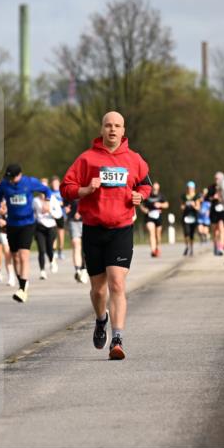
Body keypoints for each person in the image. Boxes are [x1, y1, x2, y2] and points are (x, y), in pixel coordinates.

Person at [61, 110, 152, 360]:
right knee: (99, 290)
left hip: (121, 229)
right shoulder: (87, 159)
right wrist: (85, 189)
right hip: (94, 230)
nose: (112, 130)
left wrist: (140, 196)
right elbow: (65, 188)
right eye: (108, 125)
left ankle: (118, 338)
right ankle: (101, 319)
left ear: (123, 131)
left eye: (117, 126)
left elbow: (146, 184)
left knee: (117, 284)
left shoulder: (134, 159)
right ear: (102, 129)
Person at [0, 163, 50, 303]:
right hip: (12, 224)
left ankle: (23, 289)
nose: (10, 180)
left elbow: (46, 190)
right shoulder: (5, 184)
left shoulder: (29, 182)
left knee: (24, 255)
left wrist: (46, 202)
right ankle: (22, 282)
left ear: (20, 175)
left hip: (28, 223)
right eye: (8, 178)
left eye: (13, 178)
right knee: (15, 257)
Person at [32, 192, 58, 280]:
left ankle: (52, 260)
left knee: (49, 247)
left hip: (51, 226)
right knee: (41, 250)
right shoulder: (35, 200)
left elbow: (59, 214)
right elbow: (32, 213)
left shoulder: (53, 199)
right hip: (39, 227)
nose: (42, 193)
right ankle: (42, 271)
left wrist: (49, 210)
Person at [64, 195, 89, 283]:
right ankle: (77, 270)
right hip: (73, 221)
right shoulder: (70, 189)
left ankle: (84, 269)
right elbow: (66, 204)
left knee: (86, 247)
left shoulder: (87, 186)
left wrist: (81, 211)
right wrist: (66, 210)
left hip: (87, 220)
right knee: (76, 244)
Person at [141, 181, 168, 258]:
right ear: (152, 188)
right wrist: (144, 209)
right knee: (151, 232)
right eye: (154, 188)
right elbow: (141, 204)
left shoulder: (161, 196)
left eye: (156, 189)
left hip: (158, 216)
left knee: (158, 235)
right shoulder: (148, 195)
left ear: (158, 188)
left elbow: (167, 204)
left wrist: (161, 204)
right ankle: (153, 250)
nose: (155, 190)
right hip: (149, 216)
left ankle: (157, 248)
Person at [204, 171, 224, 256]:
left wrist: (221, 198)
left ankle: (221, 247)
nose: (217, 180)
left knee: (221, 228)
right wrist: (213, 197)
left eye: (218, 178)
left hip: (222, 210)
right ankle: (215, 246)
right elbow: (206, 199)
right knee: (215, 231)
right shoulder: (211, 187)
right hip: (213, 210)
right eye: (216, 178)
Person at [48, 176, 67, 262]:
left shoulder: (62, 191)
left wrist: (63, 204)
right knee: (54, 233)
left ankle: (61, 250)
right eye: (53, 183)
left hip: (61, 215)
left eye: (56, 183)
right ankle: (54, 250)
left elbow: (66, 202)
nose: (55, 184)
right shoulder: (50, 192)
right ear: (51, 184)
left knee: (61, 233)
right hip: (52, 216)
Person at [181, 181, 201, 256]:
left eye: (191, 188)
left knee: (192, 234)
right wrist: (184, 206)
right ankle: (187, 247)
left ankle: (191, 248)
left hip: (193, 217)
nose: (190, 189)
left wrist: (194, 205)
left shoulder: (196, 196)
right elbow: (182, 207)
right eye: (188, 188)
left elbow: (198, 208)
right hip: (186, 217)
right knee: (186, 233)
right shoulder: (184, 196)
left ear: (194, 189)